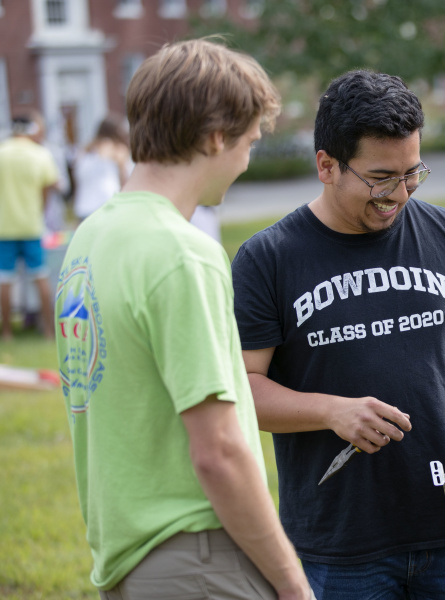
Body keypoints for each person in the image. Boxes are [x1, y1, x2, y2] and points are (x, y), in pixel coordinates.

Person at [231, 69, 445, 599]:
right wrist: (331, 411)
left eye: (412, 174)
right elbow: (241, 391)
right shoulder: (268, 259)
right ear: (326, 165)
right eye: (380, 177)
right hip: (338, 549)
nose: (398, 194)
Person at [54, 39, 313, 600]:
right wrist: (294, 583)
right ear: (216, 135)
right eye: (247, 142)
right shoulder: (182, 253)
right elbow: (217, 451)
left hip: (127, 555)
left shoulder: (91, 238)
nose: (246, 159)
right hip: (199, 556)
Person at [0, 110, 59, 341]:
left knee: (4, 280)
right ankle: (48, 330)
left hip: (4, 227)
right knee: (40, 277)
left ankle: (6, 333)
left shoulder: (2, 153)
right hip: (32, 225)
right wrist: (39, 210)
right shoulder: (40, 154)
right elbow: (49, 187)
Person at [72, 115, 131, 221]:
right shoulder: (117, 150)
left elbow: (77, 179)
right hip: (108, 203)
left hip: (83, 206)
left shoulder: (84, 150)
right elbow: (125, 179)